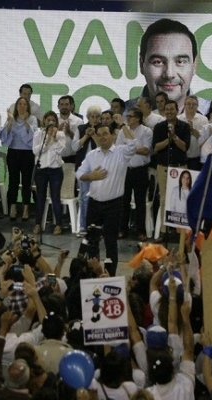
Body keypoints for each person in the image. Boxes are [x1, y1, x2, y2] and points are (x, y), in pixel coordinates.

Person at [76, 124, 137, 276]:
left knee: (110, 242)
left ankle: (110, 275)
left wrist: (123, 126)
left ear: (112, 136)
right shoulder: (92, 155)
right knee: (91, 241)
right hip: (94, 204)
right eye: (99, 134)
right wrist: (91, 176)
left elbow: (133, 144)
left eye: (106, 133)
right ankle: (93, 273)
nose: (103, 137)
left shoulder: (121, 152)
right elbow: (79, 173)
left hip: (114, 205)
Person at [126, 19, 198, 114]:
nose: (169, 74)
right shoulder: (115, 118)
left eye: (180, 61)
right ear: (141, 65)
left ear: (194, 65)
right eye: (157, 62)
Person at [151, 100, 190, 241]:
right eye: (166, 109)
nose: (169, 112)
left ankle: (180, 233)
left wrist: (174, 136)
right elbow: (155, 147)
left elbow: (185, 147)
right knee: (164, 199)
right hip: (163, 167)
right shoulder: (159, 127)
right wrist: (168, 139)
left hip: (180, 167)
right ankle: (164, 231)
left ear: (177, 110)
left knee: (181, 198)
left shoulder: (184, 127)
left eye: (171, 109)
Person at [0, 96, 38, 221]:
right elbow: (5, 137)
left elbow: (33, 137)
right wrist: (10, 122)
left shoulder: (32, 119)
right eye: (19, 104)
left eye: (24, 104)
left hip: (27, 154)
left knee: (26, 182)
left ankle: (26, 208)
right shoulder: (12, 118)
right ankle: (13, 207)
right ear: (16, 106)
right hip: (13, 153)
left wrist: (25, 121)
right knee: (13, 182)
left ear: (28, 106)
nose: (22, 106)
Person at [117, 108, 152, 241]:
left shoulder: (146, 131)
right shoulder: (122, 131)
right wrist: (132, 149)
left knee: (140, 202)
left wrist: (130, 148)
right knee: (123, 201)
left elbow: (145, 150)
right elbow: (119, 150)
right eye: (127, 116)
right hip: (125, 170)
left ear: (138, 118)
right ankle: (122, 229)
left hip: (140, 170)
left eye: (130, 116)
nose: (128, 119)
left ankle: (140, 231)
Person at [33, 112, 65, 236]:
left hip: (55, 170)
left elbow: (60, 150)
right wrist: (47, 141)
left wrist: (54, 137)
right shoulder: (38, 134)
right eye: (48, 120)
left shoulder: (60, 134)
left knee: (55, 197)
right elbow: (36, 151)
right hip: (41, 170)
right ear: (44, 121)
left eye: (53, 120)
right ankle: (37, 224)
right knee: (40, 197)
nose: (50, 122)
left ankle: (58, 225)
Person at [73, 106, 101, 236]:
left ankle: (96, 226)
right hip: (84, 168)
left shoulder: (102, 130)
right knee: (84, 198)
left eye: (96, 116)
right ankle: (83, 227)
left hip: (99, 168)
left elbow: (103, 146)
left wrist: (94, 135)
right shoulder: (80, 129)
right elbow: (74, 147)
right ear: (88, 117)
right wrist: (86, 136)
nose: (94, 119)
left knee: (99, 197)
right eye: (92, 116)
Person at [178, 95, 208, 170]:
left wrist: (192, 130)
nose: (191, 106)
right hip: (181, 157)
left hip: (196, 158)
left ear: (197, 106)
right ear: (184, 105)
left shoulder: (203, 119)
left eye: (194, 104)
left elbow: (204, 139)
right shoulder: (178, 119)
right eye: (188, 104)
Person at [57, 95, 83, 166]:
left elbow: (80, 141)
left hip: (72, 158)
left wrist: (69, 132)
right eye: (62, 104)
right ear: (58, 106)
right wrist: (58, 131)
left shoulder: (78, 121)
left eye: (66, 104)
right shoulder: (54, 119)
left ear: (71, 106)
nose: (64, 107)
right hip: (56, 157)